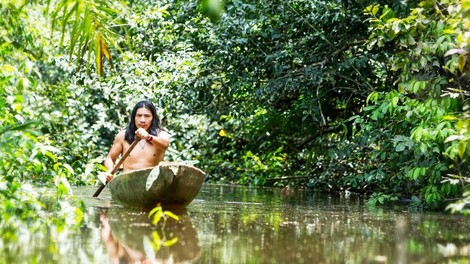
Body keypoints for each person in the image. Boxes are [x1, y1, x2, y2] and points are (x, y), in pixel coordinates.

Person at [104, 100, 171, 182]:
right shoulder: (123, 136)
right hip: (128, 184)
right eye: (139, 115)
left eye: (147, 116)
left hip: (152, 185)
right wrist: (110, 170)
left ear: (153, 118)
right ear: (134, 117)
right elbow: (110, 158)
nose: (142, 120)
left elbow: (165, 145)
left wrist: (148, 137)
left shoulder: (161, 135)